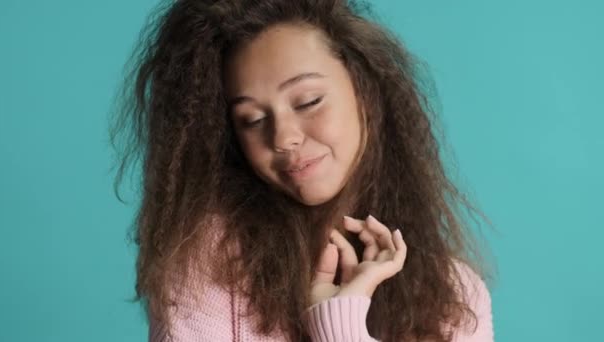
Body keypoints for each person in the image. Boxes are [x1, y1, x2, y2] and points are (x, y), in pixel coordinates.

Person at [109, 0, 495, 341]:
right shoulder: (209, 261)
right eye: (252, 119)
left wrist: (339, 326)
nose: (284, 137)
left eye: (308, 101)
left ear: (365, 90)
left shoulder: (457, 296)